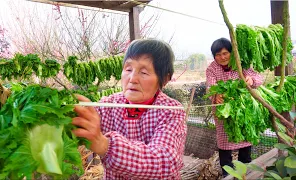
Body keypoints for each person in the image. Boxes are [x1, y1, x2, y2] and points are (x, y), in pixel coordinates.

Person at [72, 39, 187, 179]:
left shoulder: (171, 110)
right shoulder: (108, 105)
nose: (132, 78)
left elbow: (165, 161)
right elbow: (79, 121)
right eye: (128, 69)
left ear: (165, 79)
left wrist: (104, 145)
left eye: (144, 72)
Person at [206, 38, 263, 177]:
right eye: (218, 55)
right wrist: (216, 95)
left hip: (244, 111)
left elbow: (259, 77)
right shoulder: (212, 68)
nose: (222, 57)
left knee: (245, 139)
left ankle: (245, 173)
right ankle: (227, 174)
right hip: (224, 114)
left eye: (225, 53)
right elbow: (210, 86)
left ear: (231, 52)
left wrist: (251, 80)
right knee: (225, 145)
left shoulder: (240, 63)